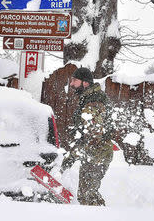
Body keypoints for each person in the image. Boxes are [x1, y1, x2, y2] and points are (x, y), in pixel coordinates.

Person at [61, 67, 113, 206]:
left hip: (97, 154)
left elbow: (93, 136)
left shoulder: (93, 102)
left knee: (87, 197)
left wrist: (72, 156)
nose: (71, 84)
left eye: (74, 80)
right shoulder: (88, 98)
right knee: (89, 195)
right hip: (95, 154)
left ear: (86, 83)